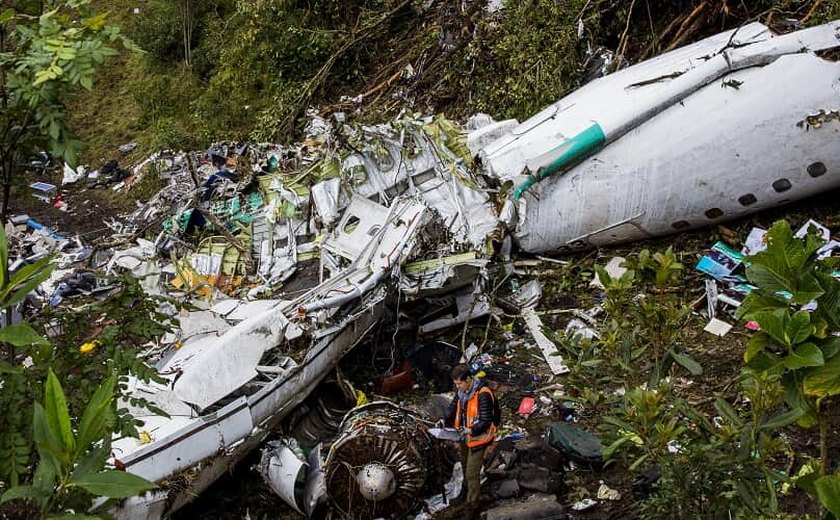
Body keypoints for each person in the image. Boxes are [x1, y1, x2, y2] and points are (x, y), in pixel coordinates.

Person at [446, 364, 497, 516]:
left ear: (468, 379)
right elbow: (453, 406)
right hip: (464, 436)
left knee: (472, 473)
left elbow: (486, 420)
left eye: (460, 383)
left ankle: (472, 505)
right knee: (464, 464)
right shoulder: (462, 391)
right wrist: (445, 420)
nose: (458, 387)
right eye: (456, 384)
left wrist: (472, 430)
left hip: (479, 438)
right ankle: (465, 493)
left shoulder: (483, 394)